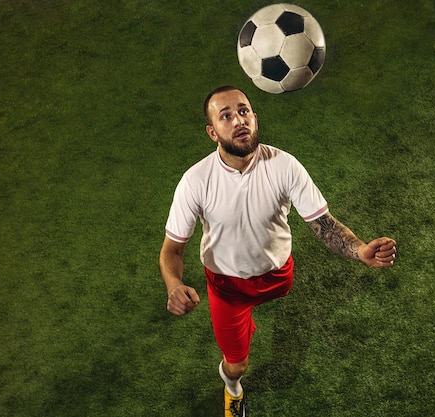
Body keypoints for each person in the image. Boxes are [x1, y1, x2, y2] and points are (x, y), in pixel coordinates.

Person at [159, 85, 396, 417]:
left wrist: (359, 250)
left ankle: (249, 324)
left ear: (255, 118)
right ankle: (233, 390)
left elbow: (323, 224)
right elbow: (173, 249)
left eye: (244, 111)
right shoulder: (195, 181)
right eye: (226, 116)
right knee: (237, 365)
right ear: (212, 132)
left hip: (278, 277)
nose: (238, 120)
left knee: (281, 293)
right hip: (228, 287)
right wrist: (174, 285)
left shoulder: (284, 166)